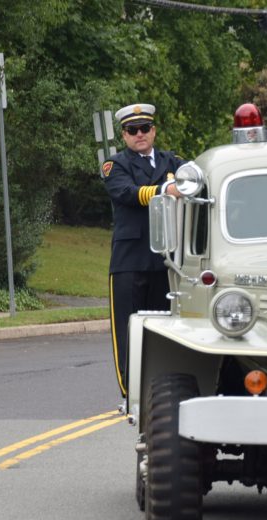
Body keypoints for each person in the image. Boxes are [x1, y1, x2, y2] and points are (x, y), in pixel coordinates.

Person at [101, 103, 184, 398]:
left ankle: (161, 392)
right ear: (124, 135)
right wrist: (165, 189)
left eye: (145, 128)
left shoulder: (172, 161)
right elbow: (126, 192)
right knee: (129, 331)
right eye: (132, 130)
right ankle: (130, 393)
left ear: (154, 131)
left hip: (165, 260)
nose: (139, 134)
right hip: (130, 260)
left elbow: (196, 182)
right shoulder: (115, 165)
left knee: (164, 330)